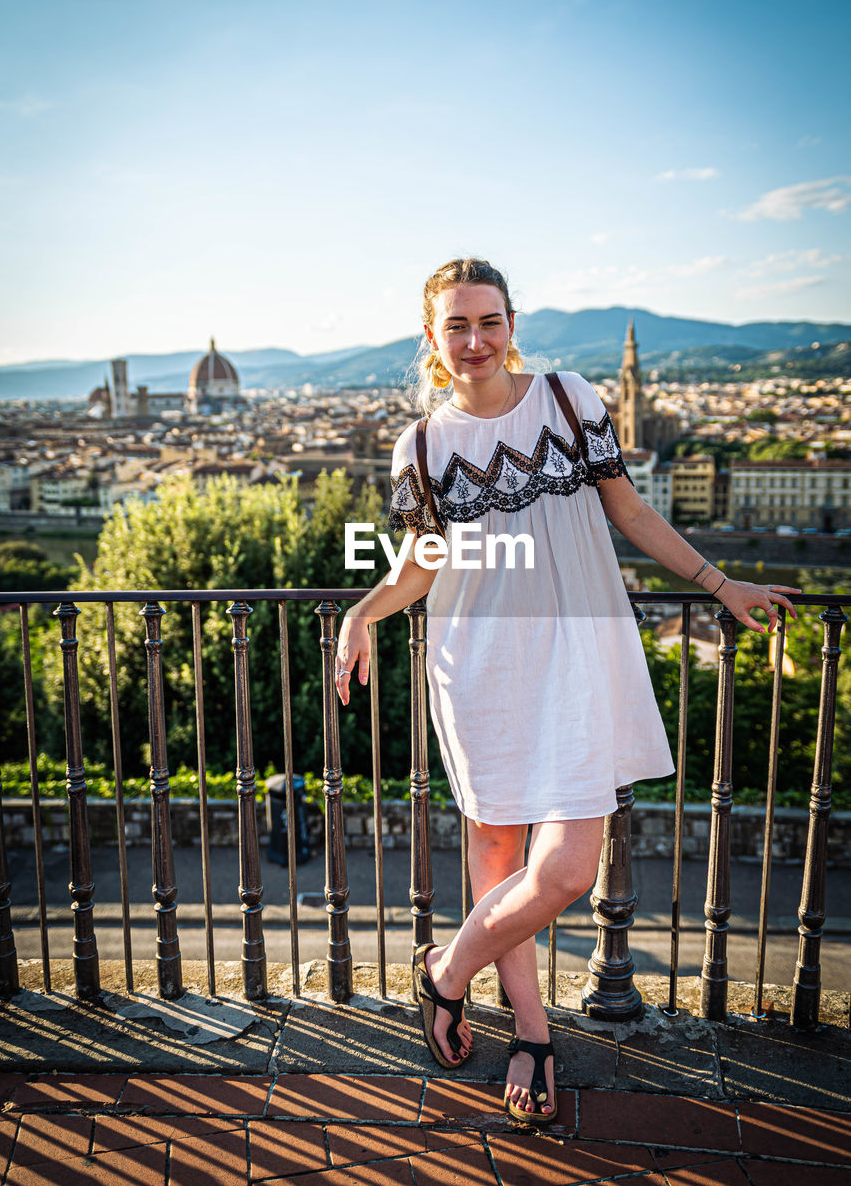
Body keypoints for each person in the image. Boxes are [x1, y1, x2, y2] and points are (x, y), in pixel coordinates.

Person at [334, 257, 799, 1126]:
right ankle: (535, 1033)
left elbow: (627, 509)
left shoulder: (571, 398)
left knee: (566, 873)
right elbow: (424, 563)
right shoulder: (423, 446)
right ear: (432, 340)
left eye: (489, 321)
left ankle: (444, 974)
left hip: (582, 660)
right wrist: (365, 607)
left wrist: (719, 583)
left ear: (512, 323)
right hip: (478, 668)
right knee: (500, 860)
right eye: (457, 326)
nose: (475, 340)